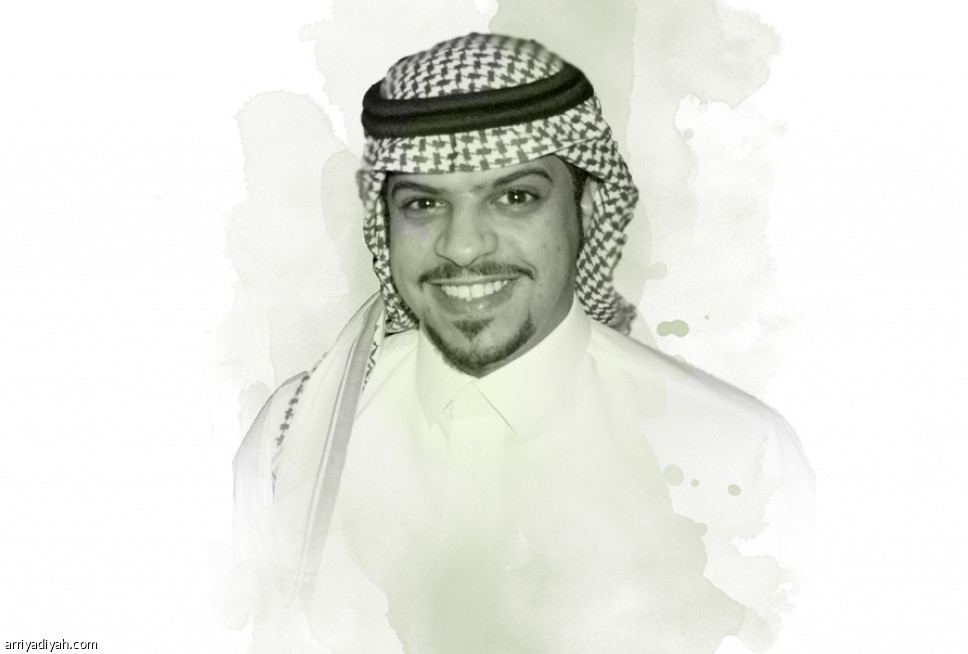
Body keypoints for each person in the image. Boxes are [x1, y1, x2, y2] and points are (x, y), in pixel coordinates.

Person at [226, 33, 814, 654]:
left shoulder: (741, 454)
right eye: (423, 203)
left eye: (515, 197)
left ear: (587, 207)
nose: (463, 246)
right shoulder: (294, 437)